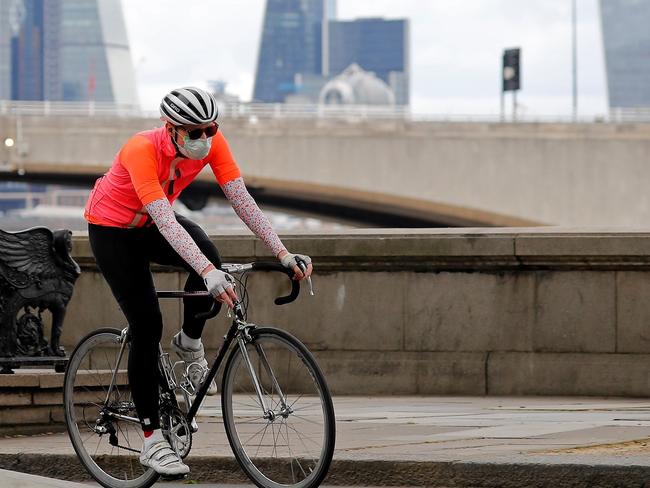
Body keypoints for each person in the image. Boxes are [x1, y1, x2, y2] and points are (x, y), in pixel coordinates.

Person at [84, 86, 313, 477]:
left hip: (151, 225)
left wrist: (282, 252)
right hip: (112, 231)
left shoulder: (212, 142)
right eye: (193, 132)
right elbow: (166, 220)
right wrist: (206, 274)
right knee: (147, 324)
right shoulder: (141, 149)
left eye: (210, 129)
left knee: (210, 252)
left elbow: (241, 200)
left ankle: (189, 344)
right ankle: (152, 440)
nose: (204, 139)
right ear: (170, 129)